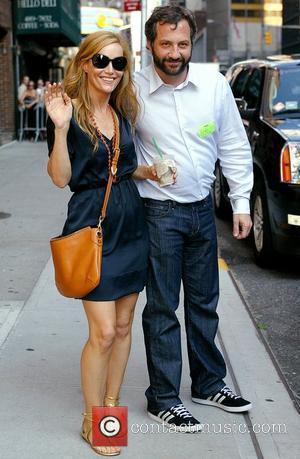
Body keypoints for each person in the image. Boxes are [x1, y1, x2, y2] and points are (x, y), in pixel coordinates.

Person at [134, 5, 253, 433]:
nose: (174, 52)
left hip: (202, 210)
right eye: (165, 43)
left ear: (192, 43)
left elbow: (234, 145)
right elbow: (118, 153)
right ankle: (163, 398)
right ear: (151, 44)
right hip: (158, 212)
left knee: (205, 304)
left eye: (181, 43)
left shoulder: (214, 85)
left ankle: (207, 384)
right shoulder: (133, 90)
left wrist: (240, 203)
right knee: (163, 307)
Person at [45, 30, 156, 456]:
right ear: (85, 64)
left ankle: (111, 410)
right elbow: (60, 178)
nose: (111, 69)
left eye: (119, 63)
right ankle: (93, 419)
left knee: (125, 326)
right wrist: (58, 131)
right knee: (104, 331)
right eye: (102, 61)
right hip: (92, 226)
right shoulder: (66, 112)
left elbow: (121, 168)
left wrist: (149, 171)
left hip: (132, 225)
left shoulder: (123, 112)